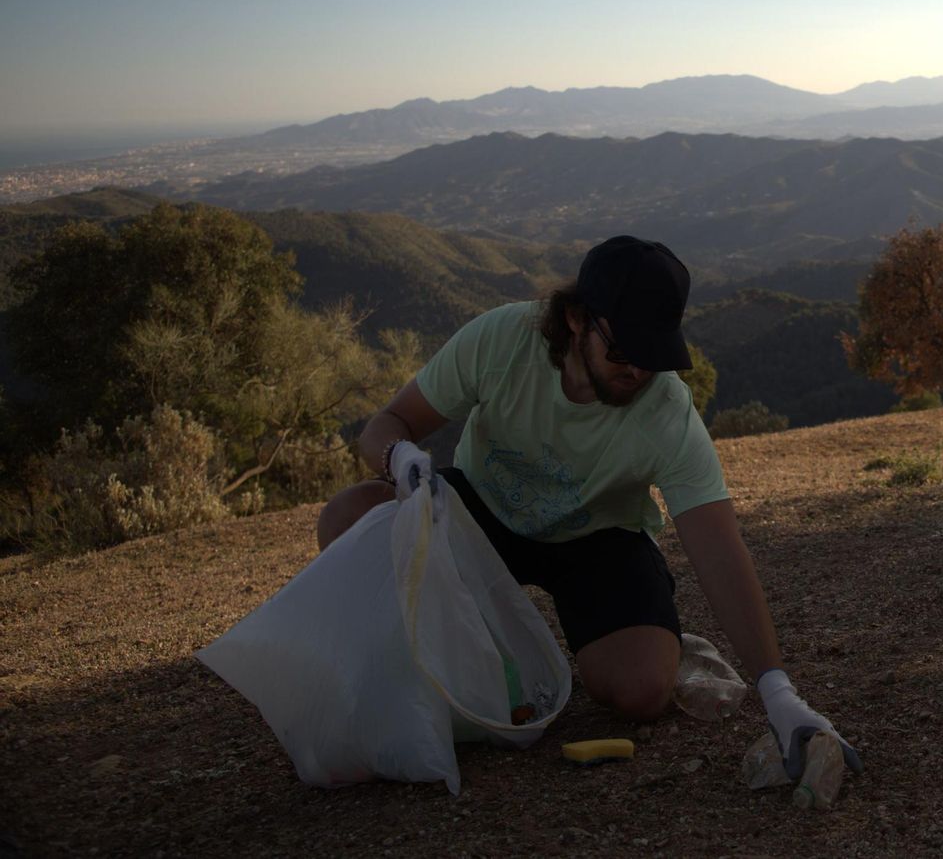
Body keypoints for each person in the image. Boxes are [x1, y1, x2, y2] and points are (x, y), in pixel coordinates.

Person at [318, 234, 860, 781]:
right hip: (482, 513)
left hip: (600, 536)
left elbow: (719, 547)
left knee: (643, 690)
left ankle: (655, 638)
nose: (638, 373)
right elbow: (387, 425)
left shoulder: (666, 411)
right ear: (577, 320)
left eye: (655, 356)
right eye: (624, 351)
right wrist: (399, 456)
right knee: (347, 519)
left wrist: (779, 691)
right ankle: (417, 664)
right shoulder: (502, 339)